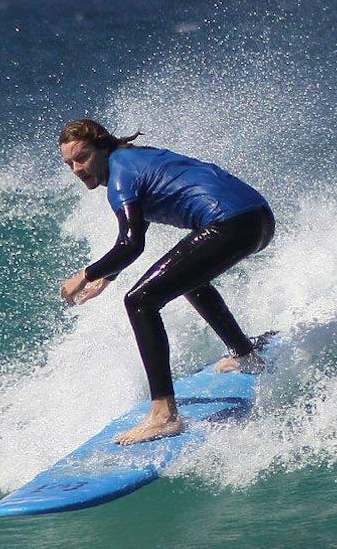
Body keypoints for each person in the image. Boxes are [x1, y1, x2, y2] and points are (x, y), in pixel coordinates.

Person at [56, 118, 276, 445]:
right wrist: (108, 275)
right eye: (70, 163)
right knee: (189, 278)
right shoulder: (134, 160)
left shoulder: (120, 177)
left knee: (140, 302)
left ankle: (163, 415)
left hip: (229, 224)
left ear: (102, 147)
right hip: (257, 219)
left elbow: (131, 244)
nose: (77, 168)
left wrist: (85, 274)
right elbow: (135, 229)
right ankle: (244, 354)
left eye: (83, 157)